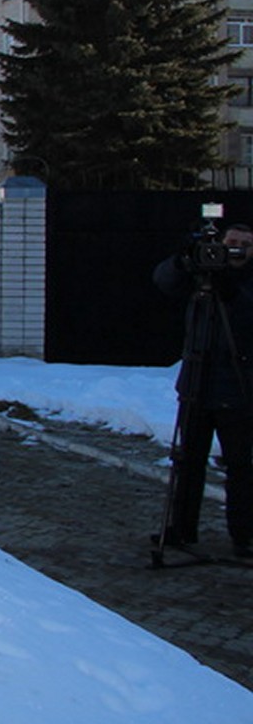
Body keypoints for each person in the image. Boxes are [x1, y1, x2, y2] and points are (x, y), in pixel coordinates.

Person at [152, 221, 253, 559]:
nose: (237, 249)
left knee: (240, 465)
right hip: (196, 383)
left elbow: (245, 313)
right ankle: (181, 528)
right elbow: (163, 282)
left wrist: (228, 287)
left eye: (244, 244)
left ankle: (244, 534)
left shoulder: (244, 282)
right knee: (187, 460)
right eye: (232, 243)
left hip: (238, 387)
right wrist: (183, 260)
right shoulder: (203, 275)